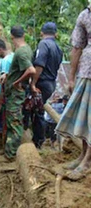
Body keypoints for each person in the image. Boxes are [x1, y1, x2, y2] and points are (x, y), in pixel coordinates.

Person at [56, 7, 91, 179]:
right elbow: (76, 47)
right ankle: (83, 156)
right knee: (85, 118)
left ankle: (87, 162)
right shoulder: (85, 15)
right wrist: (71, 78)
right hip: (86, 72)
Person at [2, 26, 35, 160]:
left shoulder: (21, 52)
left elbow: (31, 70)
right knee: (13, 121)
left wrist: (16, 82)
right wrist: (8, 75)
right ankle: (11, 151)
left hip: (16, 93)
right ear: (24, 35)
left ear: (11, 37)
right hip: (17, 91)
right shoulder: (26, 49)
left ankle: (11, 155)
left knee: (14, 123)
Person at [30, 22, 63, 148]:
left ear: (41, 33)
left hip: (42, 82)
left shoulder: (43, 44)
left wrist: (33, 83)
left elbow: (39, 65)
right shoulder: (58, 48)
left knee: (36, 112)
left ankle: (38, 141)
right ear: (56, 34)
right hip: (51, 83)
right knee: (38, 110)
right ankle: (38, 139)